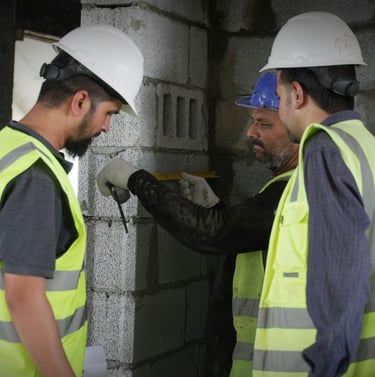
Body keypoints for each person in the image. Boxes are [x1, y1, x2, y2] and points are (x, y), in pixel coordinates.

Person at [96, 72, 299, 376]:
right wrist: (216, 208)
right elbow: (249, 238)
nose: (250, 132)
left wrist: (137, 180)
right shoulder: (285, 185)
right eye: (253, 121)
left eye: (264, 124)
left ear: (298, 129)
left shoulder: (294, 189)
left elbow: (215, 233)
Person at [0, 24, 143, 377]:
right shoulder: (36, 177)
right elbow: (24, 297)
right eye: (109, 112)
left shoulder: (7, 146)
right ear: (80, 101)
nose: (107, 127)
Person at [252, 11, 375, 377]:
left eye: (278, 96)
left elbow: (340, 283)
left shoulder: (324, 151)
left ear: (298, 93)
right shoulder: (365, 147)